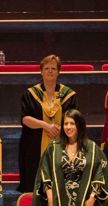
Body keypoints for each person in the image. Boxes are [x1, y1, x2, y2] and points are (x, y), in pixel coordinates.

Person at [18, 54, 78, 193]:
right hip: (34, 147)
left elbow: (75, 120)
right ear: (41, 71)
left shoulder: (68, 95)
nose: (50, 71)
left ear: (58, 72)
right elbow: (25, 119)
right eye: (46, 68)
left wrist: (60, 129)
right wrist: (46, 126)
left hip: (63, 145)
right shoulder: (30, 94)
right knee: (34, 188)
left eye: (53, 68)